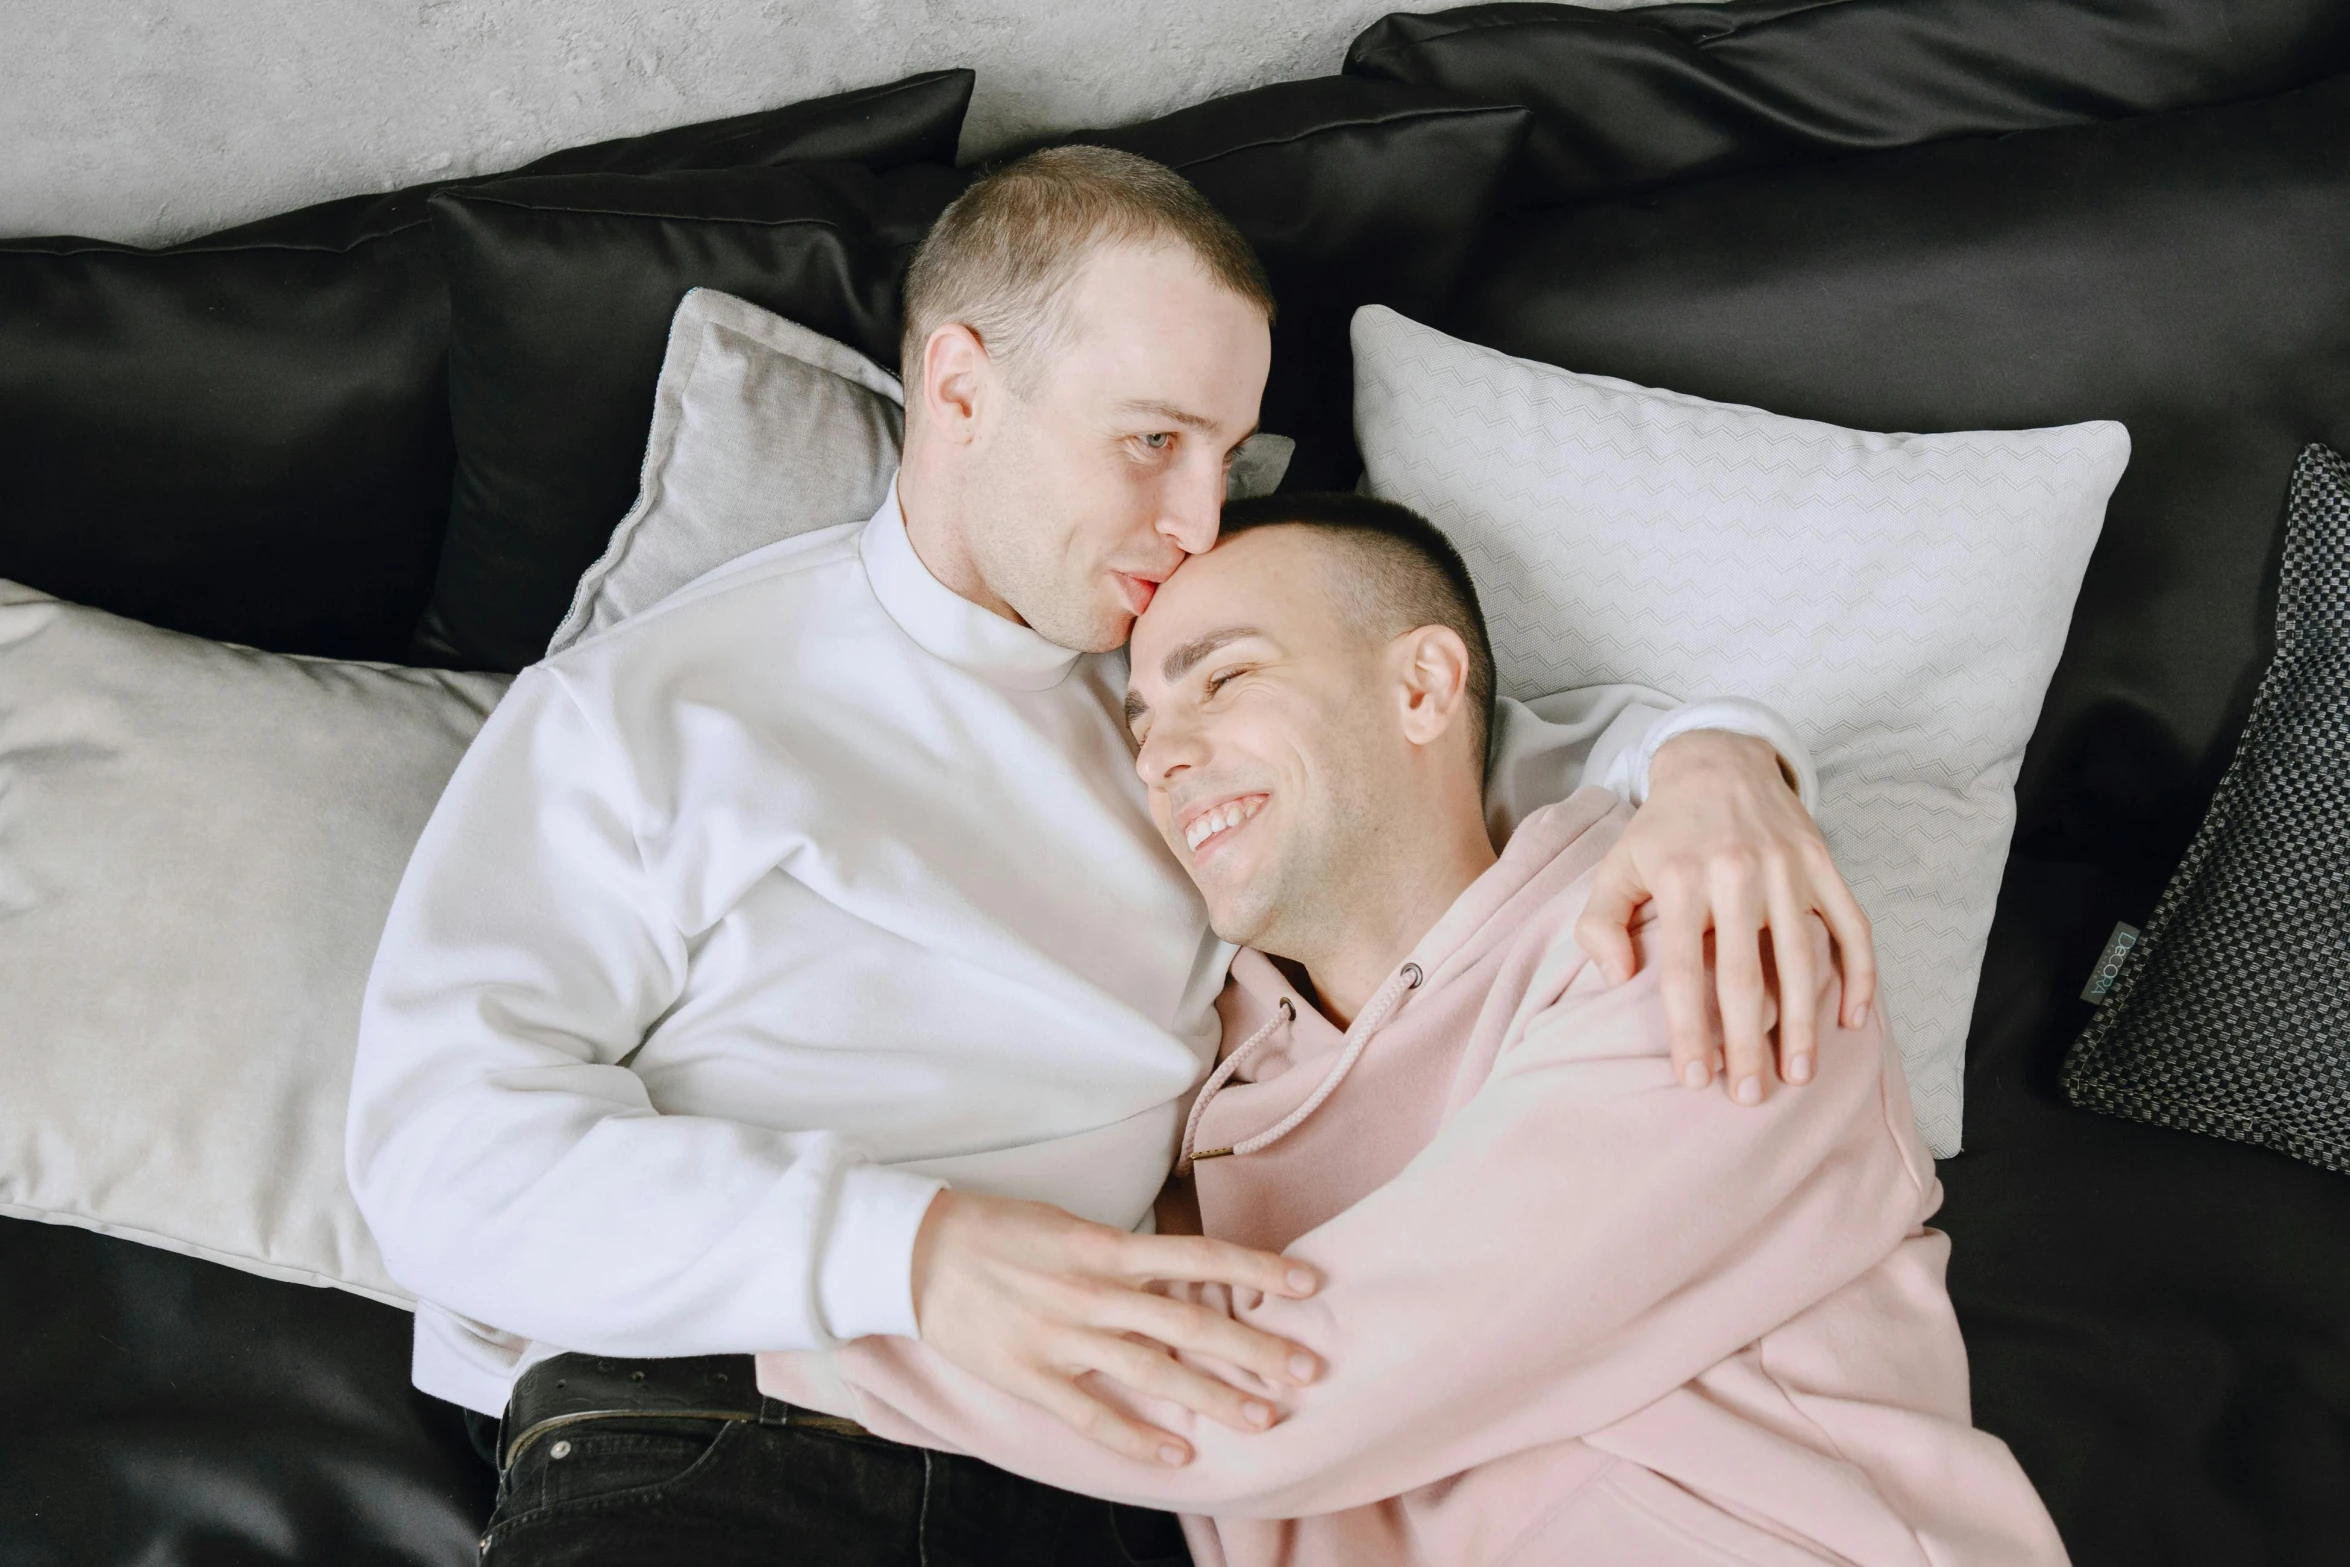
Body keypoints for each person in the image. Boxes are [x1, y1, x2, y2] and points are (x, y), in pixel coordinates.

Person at [347, 147, 1875, 1565]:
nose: (1196, 516)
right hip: (728, 1427)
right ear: (958, 390)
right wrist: (914, 1250)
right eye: (1150, 441)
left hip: (1118, 1475)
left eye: (1226, 452)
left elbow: (1440, 755)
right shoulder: (650, 712)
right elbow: (435, 1154)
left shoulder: (1184, 692)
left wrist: (1714, 758)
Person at [763, 493, 2066, 1566]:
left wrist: (756, 1288)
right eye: (1142, 722)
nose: (1161, 753)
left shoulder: (1692, 935)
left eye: (1218, 678)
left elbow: (1272, 1390)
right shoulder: (1202, 1082)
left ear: (1423, 684)